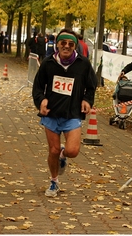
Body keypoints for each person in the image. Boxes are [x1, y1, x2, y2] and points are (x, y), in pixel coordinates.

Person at [32, 28, 98, 197]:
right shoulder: (48, 63)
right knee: (52, 150)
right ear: (58, 44)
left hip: (72, 113)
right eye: (63, 43)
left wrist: (87, 100)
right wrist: (41, 101)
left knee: (72, 151)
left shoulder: (83, 64)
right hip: (52, 113)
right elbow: (38, 87)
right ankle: (54, 182)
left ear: (75, 46)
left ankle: (63, 155)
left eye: (70, 44)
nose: (66, 46)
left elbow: (91, 86)